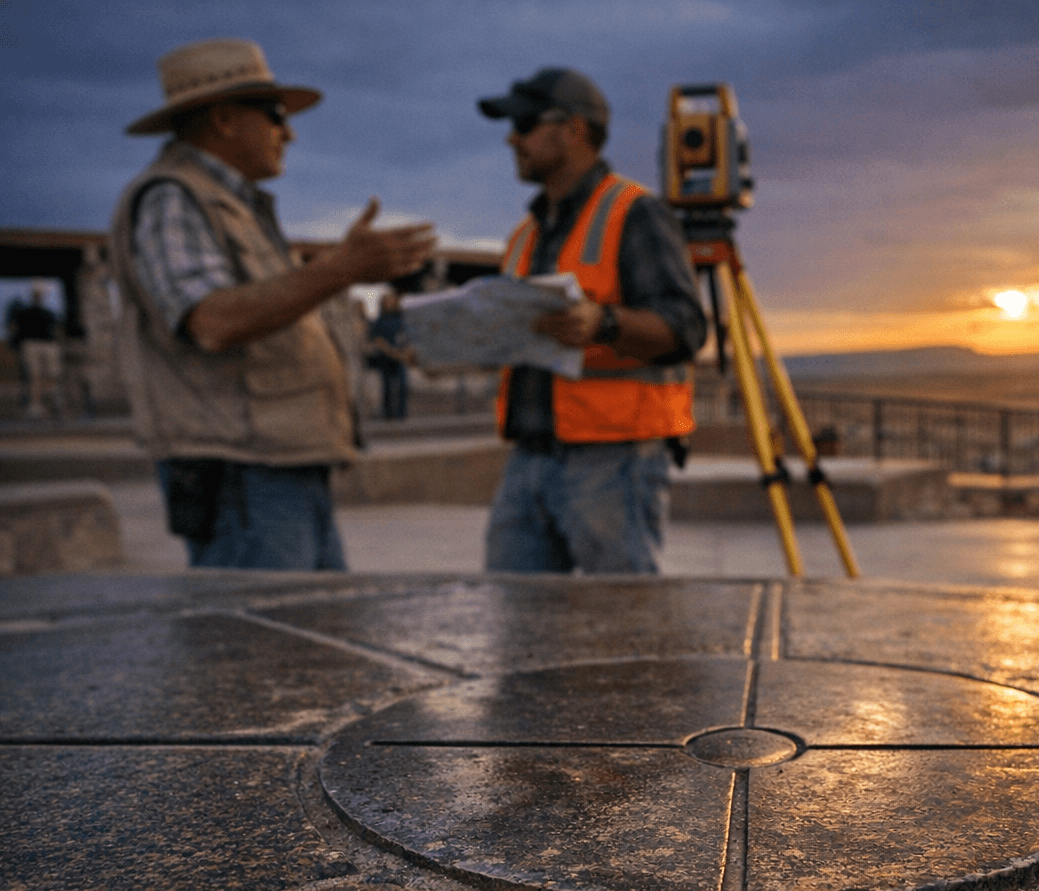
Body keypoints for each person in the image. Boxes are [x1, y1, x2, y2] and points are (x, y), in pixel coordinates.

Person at [109, 38, 435, 569]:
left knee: (313, 637)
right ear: (222, 120)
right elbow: (212, 320)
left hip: (278, 463)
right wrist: (341, 269)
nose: (289, 133)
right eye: (275, 116)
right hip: (242, 473)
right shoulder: (173, 196)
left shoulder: (231, 204)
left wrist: (333, 272)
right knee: (265, 642)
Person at [477, 67, 706, 573]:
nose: (511, 139)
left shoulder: (635, 213)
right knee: (516, 625)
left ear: (575, 130)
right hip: (529, 457)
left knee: (623, 628)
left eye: (525, 124)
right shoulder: (525, 236)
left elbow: (686, 327)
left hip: (613, 461)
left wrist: (603, 323)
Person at [7, 282, 64, 418]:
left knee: (52, 375)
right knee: (35, 375)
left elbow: (57, 331)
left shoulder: (48, 314)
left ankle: (53, 402)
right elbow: (14, 329)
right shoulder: (24, 313)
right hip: (31, 344)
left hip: (48, 345)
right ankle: (35, 405)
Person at [365, 289, 410, 420]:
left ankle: (401, 415)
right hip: (386, 359)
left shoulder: (401, 318)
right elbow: (377, 340)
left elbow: (407, 337)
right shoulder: (380, 321)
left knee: (402, 387)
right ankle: (389, 415)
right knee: (387, 388)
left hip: (400, 358)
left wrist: (402, 353)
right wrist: (391, 352)